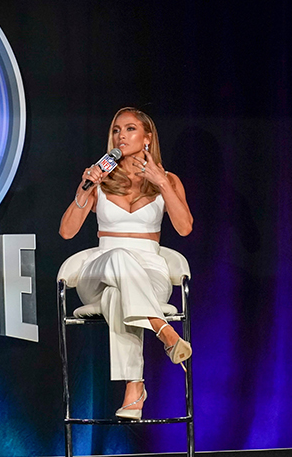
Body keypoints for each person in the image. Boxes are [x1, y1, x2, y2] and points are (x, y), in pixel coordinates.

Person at [59, 107, 194, 419]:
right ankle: (164, 331)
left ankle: (135, 388)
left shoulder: (168, 179)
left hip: (150, 271)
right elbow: (66, 232)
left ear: (147, 137)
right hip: (101, 267)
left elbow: (185, 227)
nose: (121, 135)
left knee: (117, 297)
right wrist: (86, 187)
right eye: (117, 130)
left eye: (130, 129)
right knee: (118, 259)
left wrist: (161, 182)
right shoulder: (101, 178)